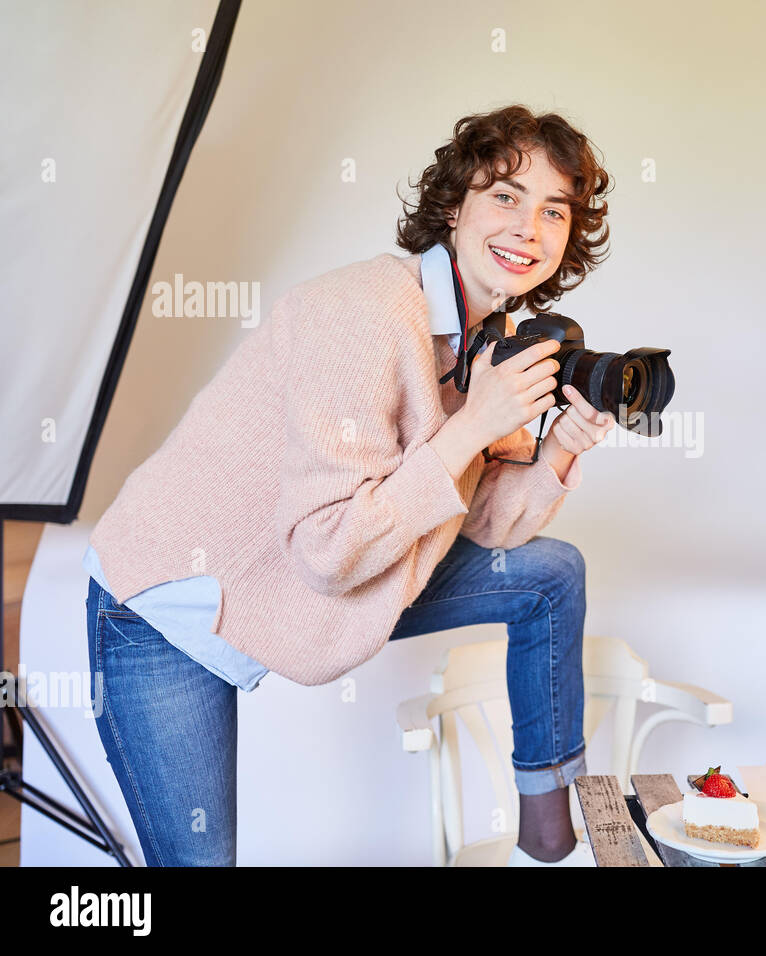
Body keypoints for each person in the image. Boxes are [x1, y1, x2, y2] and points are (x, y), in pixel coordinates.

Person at [83, 104, 616, 866]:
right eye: (505, 196)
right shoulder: (362, 312)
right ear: (455, 205)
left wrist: (559, 447)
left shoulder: (491, 344)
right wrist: (472, 426)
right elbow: (328, 549)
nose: (528, 228)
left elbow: (488, 527)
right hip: (172, 602)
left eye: (552, 210)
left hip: (304, 580)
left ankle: (548, 819)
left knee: (548, 574)